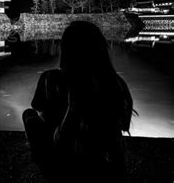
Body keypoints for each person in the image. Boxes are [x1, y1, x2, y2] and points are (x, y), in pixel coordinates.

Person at [23, 21, 136, 182]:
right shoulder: (115, 82)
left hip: (63, 166)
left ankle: (45, 156)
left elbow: (38, 107)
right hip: (109, 166)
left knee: (29, 114)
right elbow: (124, 124)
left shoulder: (50, 78)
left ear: (66, 50)